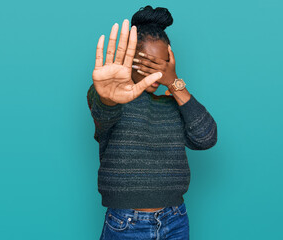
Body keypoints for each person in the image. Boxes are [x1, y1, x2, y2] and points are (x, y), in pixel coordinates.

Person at [87, 5, 217, 240]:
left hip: (175, 219)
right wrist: (107, 97)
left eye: (163, 65)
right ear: (130, 59)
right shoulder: (111, 96)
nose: (157, 75)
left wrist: (176, 83)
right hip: (126, 223)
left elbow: (206, 138)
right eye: (148, 65)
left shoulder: (173, 103)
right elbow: (102, 112)